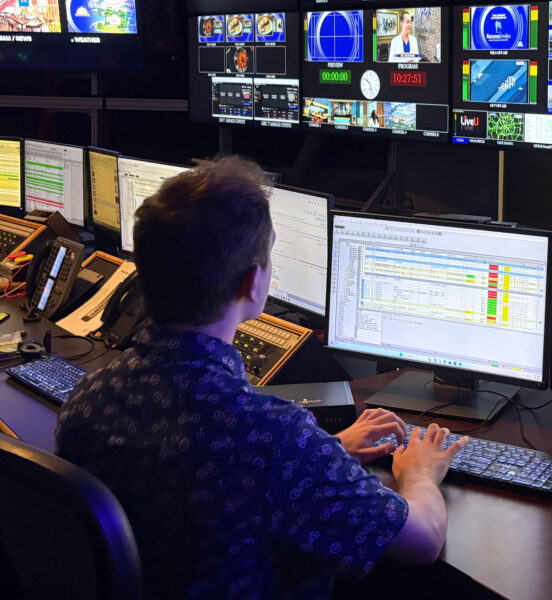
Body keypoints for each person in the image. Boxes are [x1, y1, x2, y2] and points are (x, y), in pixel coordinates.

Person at [55, 157, 468, 600]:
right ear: (252, 284)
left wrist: (327, 450)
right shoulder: (271, 436)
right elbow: (424, 539)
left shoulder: (87, 401)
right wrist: (420, 473)